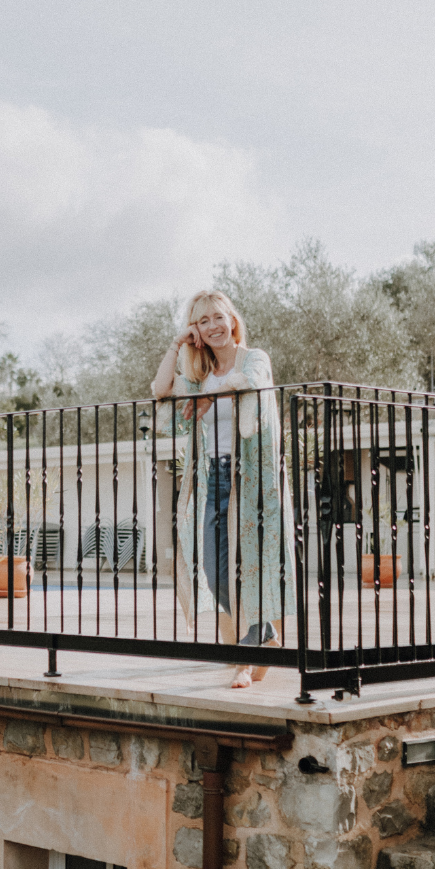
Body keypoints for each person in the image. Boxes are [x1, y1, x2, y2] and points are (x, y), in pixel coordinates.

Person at [152, 289, 294, 689]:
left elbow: (247, 381)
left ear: (232, 320)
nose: (212, 326)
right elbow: (161, 388)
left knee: (250, 567)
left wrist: (211, 397)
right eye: (201, 322)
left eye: (217, 317)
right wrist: (177, 343)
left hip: (252, 479)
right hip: (213, 478)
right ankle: (262, 632)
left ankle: (247, 656)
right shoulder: (199, 376)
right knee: (216, 574)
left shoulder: (255, 358)